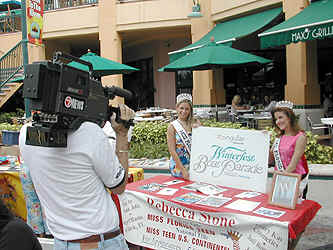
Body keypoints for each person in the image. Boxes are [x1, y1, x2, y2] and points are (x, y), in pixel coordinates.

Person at [19, 104, 135, 250]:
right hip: (100, 242)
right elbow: (119, 186)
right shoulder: (89, 133)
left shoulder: (25, 134)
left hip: (61, 242)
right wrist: (122, 136)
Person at [269, 101, 309, 250]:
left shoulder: (300, 136)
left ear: (290, 117)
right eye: (276, 119)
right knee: (282, 216)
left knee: (296, 217)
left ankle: (291, 246)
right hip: (282, 180)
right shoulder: (279, 138)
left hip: (297, 181)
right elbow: (271, 159)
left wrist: (280, 182)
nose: (278, 122)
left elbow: (293, 164)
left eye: (281, 117)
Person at [167, 93, 201, 180]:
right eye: (181, 108)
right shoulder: (172, 126)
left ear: (190, 110)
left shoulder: (194, 123)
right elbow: (172, 151)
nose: (184, 111)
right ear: (177, 108)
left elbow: (201, 143)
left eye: (187, 109)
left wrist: (199, 128)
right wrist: (183, 170)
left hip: (194, 165)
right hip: (178, 166)